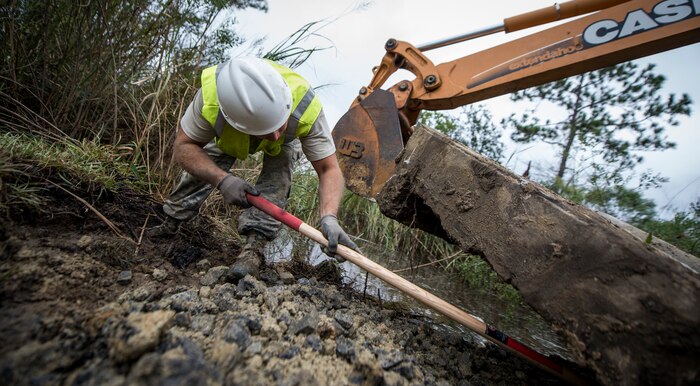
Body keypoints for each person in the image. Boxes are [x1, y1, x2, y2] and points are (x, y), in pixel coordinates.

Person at [148, 57, 357, 280]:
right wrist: (222, 179)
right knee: (210, 156)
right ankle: (170, 222)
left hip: (284, 136)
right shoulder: (211, 100)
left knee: (282, 160)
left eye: (279, 124)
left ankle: (252, 252)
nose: (276, 135)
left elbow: (329, 169)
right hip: (230, 133)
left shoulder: (305, 105)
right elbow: (184, 147)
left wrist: (329, 217)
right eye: (267, 130)